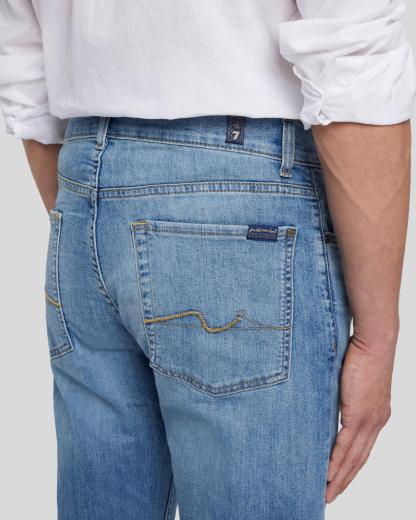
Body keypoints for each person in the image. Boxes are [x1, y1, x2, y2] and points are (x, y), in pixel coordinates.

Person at [0, 1, 414, 519]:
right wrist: (377, 337)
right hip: (238, 195)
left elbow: (23, 59)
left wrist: (96, 218)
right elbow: (354, 57)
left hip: (83, 187)